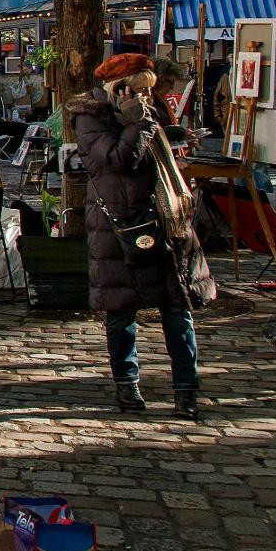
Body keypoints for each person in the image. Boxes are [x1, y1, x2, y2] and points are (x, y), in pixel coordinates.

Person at [71, 53, 216, 419]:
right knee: (122, 314)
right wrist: (138, 122)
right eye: (142, 90)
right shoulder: (90, 116)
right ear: (120, 88)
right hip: (121, 226)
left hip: (166, 221)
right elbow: (118, 159)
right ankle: (127, 386)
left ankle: (186, 391)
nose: (148, 97)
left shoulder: (146, 110)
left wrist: (174, 134)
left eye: (150, 91)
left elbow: (153, 142)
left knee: (178, 311)